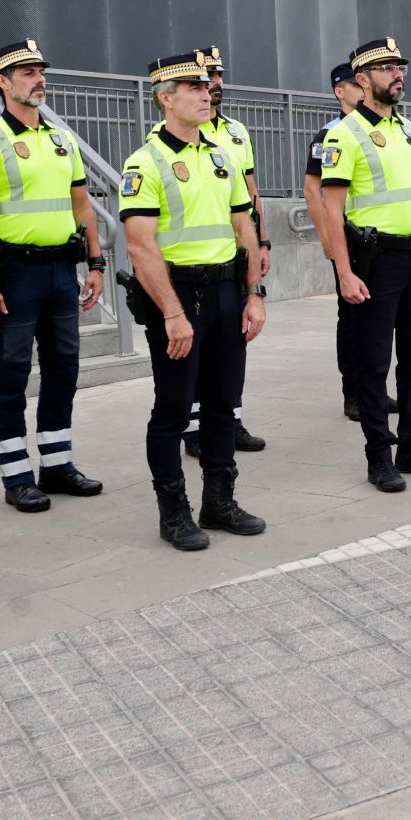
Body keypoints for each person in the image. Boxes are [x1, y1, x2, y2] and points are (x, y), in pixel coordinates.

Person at [117, 48, 268, 552]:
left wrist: (254, 294)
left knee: (224, 403)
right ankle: (174, 510)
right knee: (174, 408)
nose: (207, 93)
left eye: (208, 86)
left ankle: (219, 501)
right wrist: (173, 313)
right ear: (166, 98)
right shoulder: (145, 162)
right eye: (194, 88)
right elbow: (140, 245)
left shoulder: (221, 154)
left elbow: (244, 225)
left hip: (227, 291)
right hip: (178, 297)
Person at [0, 39, 105, 514]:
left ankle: (57, 466)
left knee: (64, 369)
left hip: (62, 269)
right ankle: (17, 474)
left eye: (40, 70)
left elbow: (82, 205)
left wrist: (96, 263)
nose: (38, 79)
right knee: (13, 373)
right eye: (26, 72)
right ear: (2, 81)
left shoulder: (62, 140)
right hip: (12, 274)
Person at [316, 37, 411, 492]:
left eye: (400, 66)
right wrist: (344, 271)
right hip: (373, 264)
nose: (398, 73)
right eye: (387, 68)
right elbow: (331, 208)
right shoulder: (344, 134)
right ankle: (379, 455)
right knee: (373, 365)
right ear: (362, 79)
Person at [187, 55, 268, 455]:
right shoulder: (174, 134)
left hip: (236, 253)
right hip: (196, 260)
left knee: (234, 339)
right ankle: (195, 428)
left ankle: (229, 418)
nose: (213, 83)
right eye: (205, 78)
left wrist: (262, 243)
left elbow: (251, 194)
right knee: (197, 345)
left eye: (217, 76)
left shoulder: (236, 132)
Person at [304, 62, 368, 419]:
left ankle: (372, 387)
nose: (361, 89)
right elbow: (312, 190)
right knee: (353, 317)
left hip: (381, 239)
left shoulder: (376, 131)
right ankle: (353, 392)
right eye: (352, 84)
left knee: (378, 319)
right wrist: (328, 236)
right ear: (339, 91)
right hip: (349, 241)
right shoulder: (330, 134)